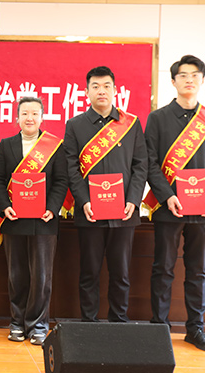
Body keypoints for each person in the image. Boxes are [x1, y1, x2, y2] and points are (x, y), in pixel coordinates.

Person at [144, 55, 205, 352]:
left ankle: (195, 329)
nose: (189, 79)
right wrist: (167, 196)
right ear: (173, 81)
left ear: (202, 80)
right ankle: (159, 327)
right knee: (163, 269)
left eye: (194, 75)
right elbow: (150, 163)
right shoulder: (157, 118)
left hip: (203, 209)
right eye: (183, 75)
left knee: (197, 271)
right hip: (169, 208)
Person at [63, 66, 148, 324]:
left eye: (107, 86)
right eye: (96, 86)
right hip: (89, 212)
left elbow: (141, 164)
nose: (102, 91)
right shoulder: (75, 125)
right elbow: (71, 167)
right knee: (89, 272)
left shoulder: (131, 124)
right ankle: (89, 322)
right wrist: (83, 201)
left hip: (124, 213)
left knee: (120, 272)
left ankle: (118, 321)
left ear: (115, 90)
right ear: (87, 91)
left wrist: (133, 200)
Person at [0, 97, 68, 345]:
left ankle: (38, 325)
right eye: (24, 113)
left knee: (42, 276)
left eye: (34, 113)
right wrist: (4, 206)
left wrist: (52, 208)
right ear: (17, 118)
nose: (29, 118)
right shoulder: (6, 145)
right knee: (17, 274)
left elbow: (61, 181)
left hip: (44, 221)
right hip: (14, 219)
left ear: (42, 117)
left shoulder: (54, 146)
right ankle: (17, 322)